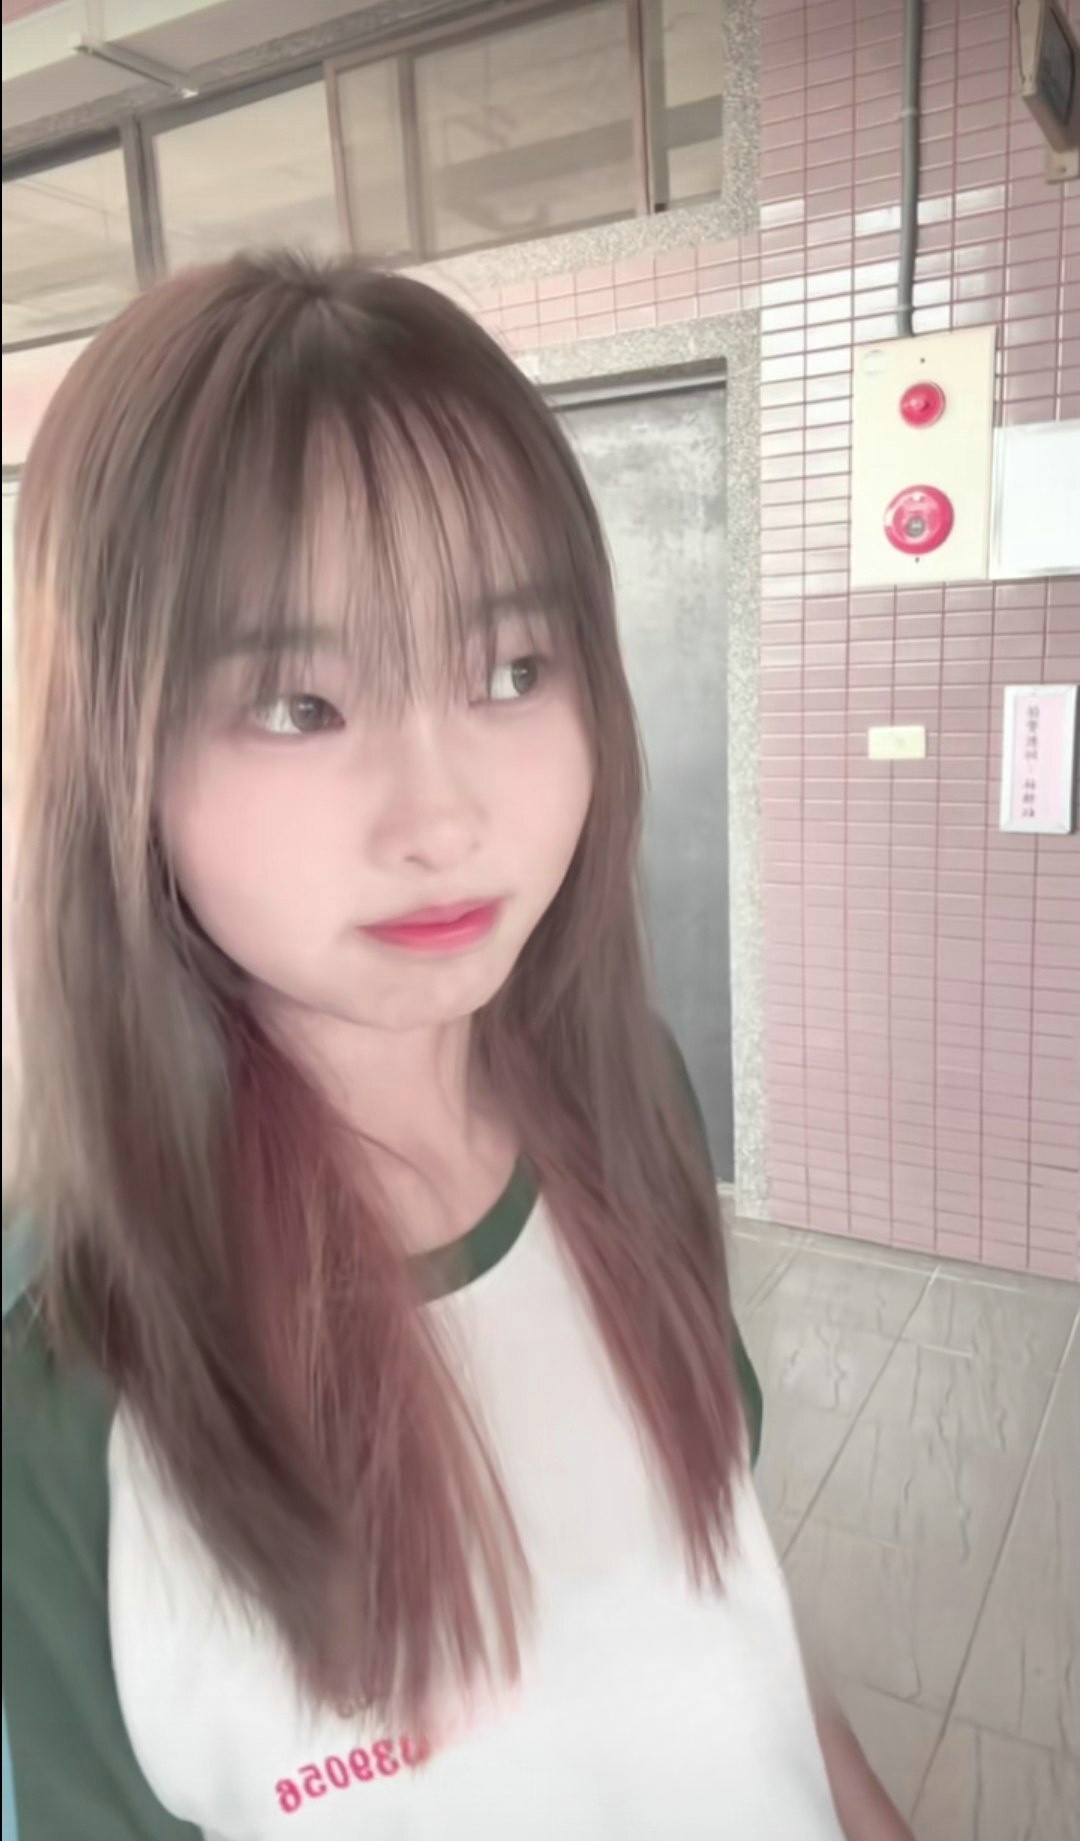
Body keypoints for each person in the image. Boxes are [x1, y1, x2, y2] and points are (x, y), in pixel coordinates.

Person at [2, 254, 910, 1840]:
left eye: (509, 671)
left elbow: (727, 1613)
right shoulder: (61, 1394)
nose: (442, 819)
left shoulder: (624, 1098)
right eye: (299, 702)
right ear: (116, 751)